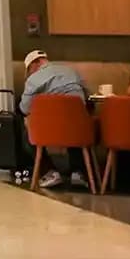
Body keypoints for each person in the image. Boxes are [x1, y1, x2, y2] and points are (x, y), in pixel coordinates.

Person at [20, 49, 91, 189]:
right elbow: (87, 95)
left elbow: (24, 108)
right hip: (79, 129)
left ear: (35, 64)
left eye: (29, 70)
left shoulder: (33, 79)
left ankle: (49, 172)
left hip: (50, 131)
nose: (29, 73)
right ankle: (79, 172)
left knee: (27, 134)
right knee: (74, 124)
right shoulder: (71, 71)